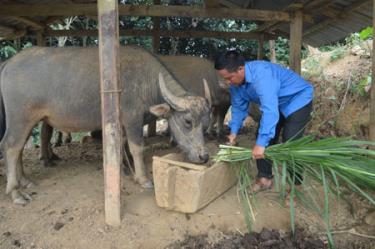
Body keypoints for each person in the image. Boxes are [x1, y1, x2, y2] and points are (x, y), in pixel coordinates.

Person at [214, 50, 313, 192]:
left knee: (290, 143)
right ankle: (264, 179)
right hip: (276, 103)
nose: (228, 82)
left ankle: (296, 185)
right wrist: (233, 133)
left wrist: (261, 144)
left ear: (240, 69)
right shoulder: (236, 84)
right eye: (225, 79)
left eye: (229, 78)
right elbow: (238, 107)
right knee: (262, 137)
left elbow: (269, 111)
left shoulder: (262, 75)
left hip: (297, 99)